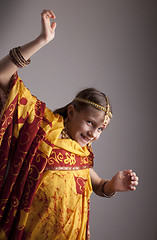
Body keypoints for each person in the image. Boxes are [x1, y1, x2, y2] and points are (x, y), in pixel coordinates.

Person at [0, 9, 139, 240]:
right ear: (72, 111)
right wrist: (41, 40)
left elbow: (97, 184)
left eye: (100, 129)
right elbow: (3, 77)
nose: (94, 133)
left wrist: (111, 185)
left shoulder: (82, 154)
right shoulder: (42, 127)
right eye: (89, 123)